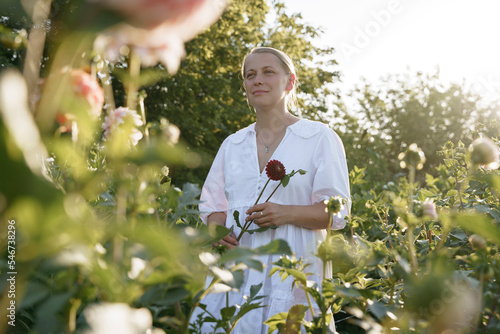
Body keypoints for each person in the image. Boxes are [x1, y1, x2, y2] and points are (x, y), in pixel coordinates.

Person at [196, 46, 351, 333]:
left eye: (268, 72)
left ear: (290, 82)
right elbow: (212, 206)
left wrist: (286, 213)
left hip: (293, 270)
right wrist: (217, 230)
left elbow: (337, 211)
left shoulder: (319, 137)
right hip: (237, 275)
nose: (257, 80)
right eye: (250, 74)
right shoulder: (233, 144)